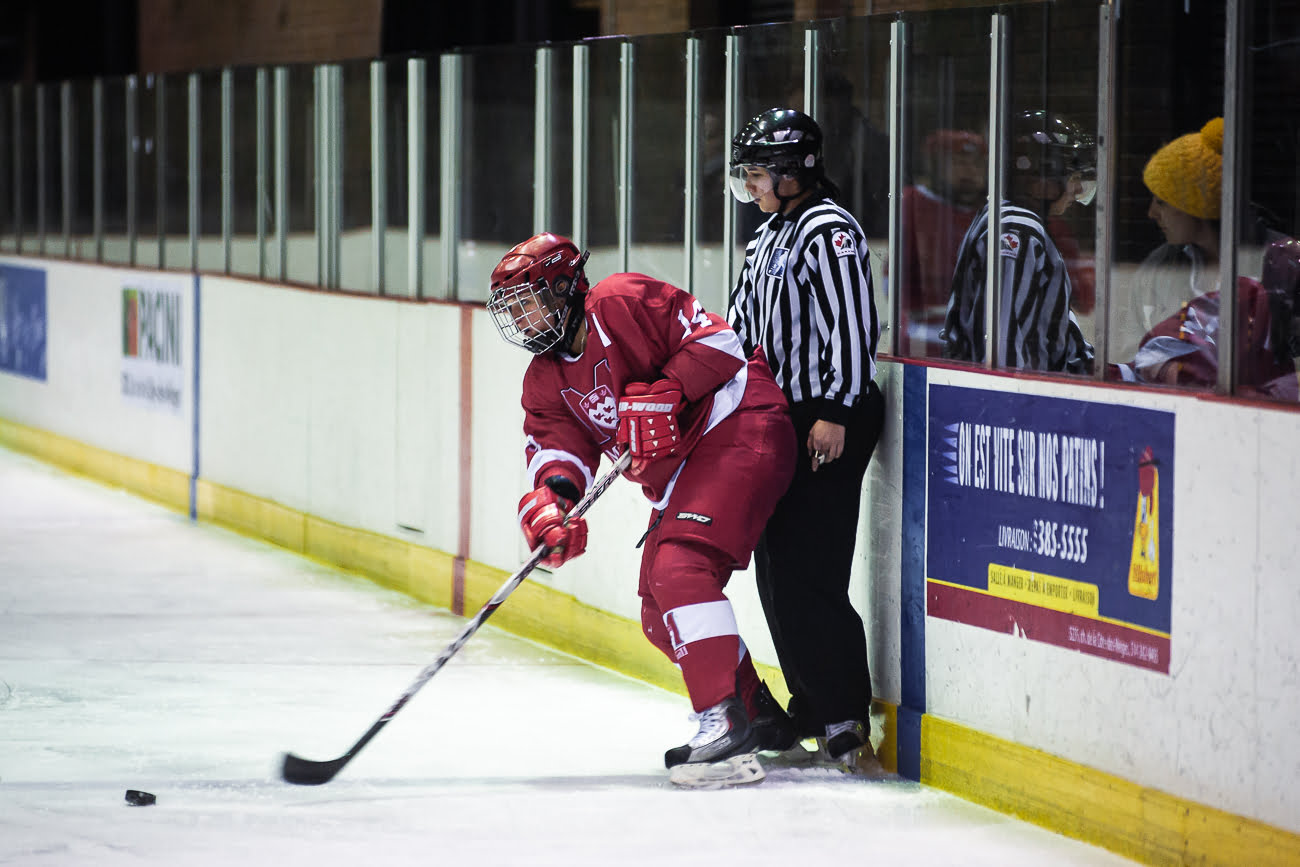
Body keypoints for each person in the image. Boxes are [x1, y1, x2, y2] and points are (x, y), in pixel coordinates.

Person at [487, 232, 797, 786]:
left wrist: (670, 388)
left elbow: (721, 342)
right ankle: (755, 715)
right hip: (685, 470)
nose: (521, 319)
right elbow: (559, 451)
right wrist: (553, 502)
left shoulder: (619, 301)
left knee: (679, 570)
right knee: (659, 613)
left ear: (562, 288)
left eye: (527, 302)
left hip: (738, 421)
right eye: (513, 310)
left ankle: (722, 726)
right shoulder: (544, 380)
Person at [724, 107, 885, 764]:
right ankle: (813, 702)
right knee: (775, 569)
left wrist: (836, 411)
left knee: (811, 570)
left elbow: (854, 325)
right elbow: (739, 326)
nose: (751, 185)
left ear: (795, 172)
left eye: (759, 173)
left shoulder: (828, 229)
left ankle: (845, 713)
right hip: (780, 418)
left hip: (827, 416)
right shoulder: (768, 235)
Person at [941, 109, 1096, 373]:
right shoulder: (1018, 228)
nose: (1078, 189)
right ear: (1039, 177)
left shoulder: (1002, 216)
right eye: (1073, 177)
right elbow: (1003, 348)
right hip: (1026, 391)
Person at [1112, 117, 1227, 363]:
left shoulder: (1274, 264)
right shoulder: (1157, 267)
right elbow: (1131, 355)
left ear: (1196, 201)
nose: (1151, 213)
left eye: (1161, 202)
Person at [899, 128, 988, 357]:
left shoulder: (990, 212)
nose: (970, 170)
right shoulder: (911, 203)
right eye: (959, 162)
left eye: (977, 163)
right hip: (922, 341)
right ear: (935, 166)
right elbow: (893, 282)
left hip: (976, 342)